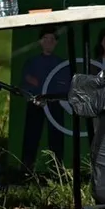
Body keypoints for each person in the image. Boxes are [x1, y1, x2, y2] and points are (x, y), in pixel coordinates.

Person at [20, 26, 66, 171]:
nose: (48, 42)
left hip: (54, 105)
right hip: (36, 104)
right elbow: (25, 84)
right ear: (40, 41)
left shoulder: (61, 65)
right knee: (31, 137)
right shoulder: (32, 63)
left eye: (52, 39)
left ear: (56, 42)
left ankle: (57, 171)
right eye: (45, 39)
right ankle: (26, 170)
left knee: (56, 139)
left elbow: (64, 85)